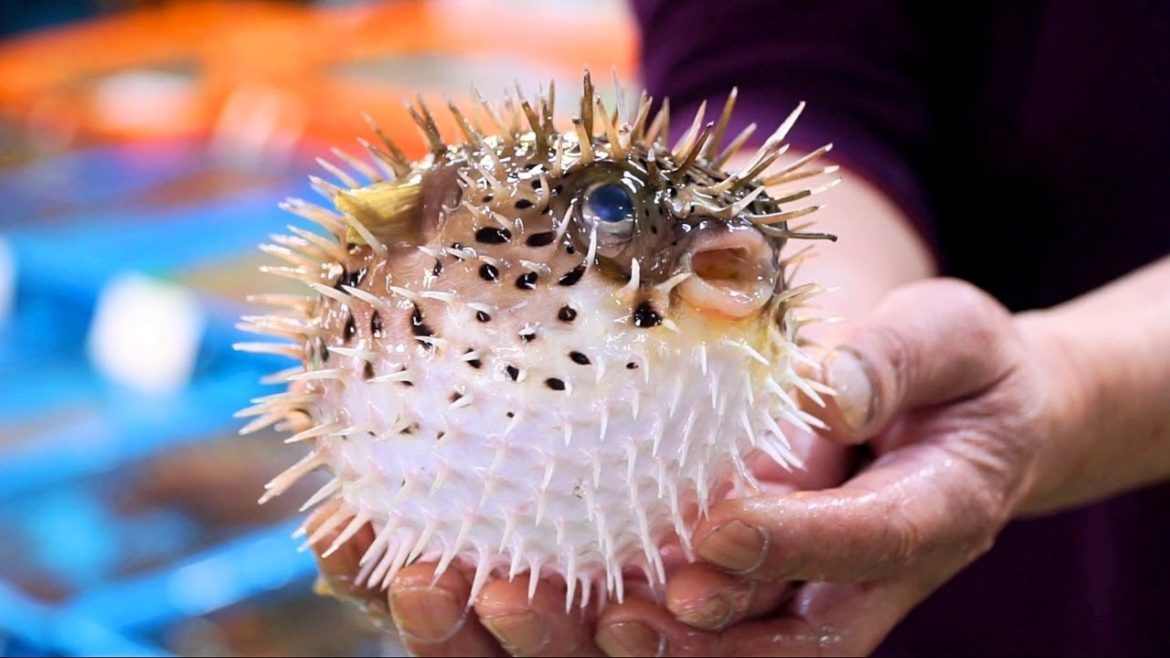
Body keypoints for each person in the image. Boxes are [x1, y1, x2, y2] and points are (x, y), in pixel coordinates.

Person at [312, 2, 1170, 655]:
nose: (743, 257)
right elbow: (788, 64)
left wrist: (1080, 384)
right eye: (611, 211)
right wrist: (842, 323)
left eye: (761, 234)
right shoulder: (442, 283)